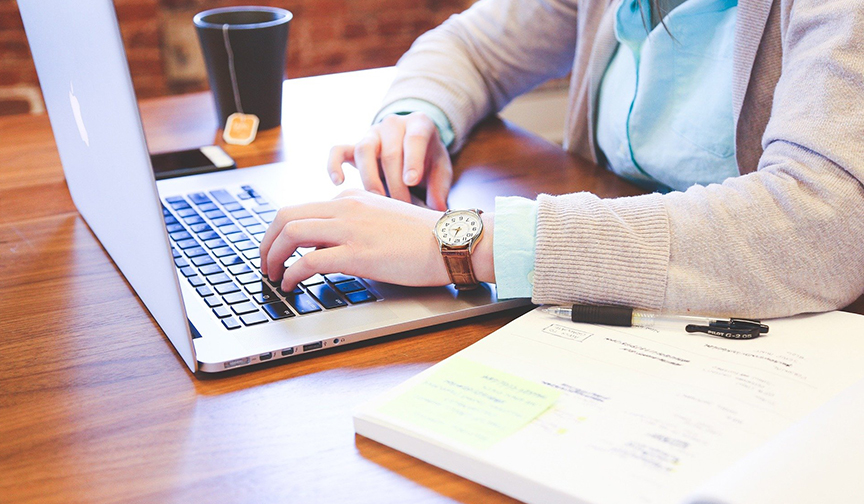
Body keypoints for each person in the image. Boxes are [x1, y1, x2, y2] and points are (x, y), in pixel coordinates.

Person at [260, 0, 864, 318]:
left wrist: (461, 245)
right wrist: (415, 117)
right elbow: (471, 46)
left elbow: (825, 224)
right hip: (621, 316)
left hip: (786, 341)